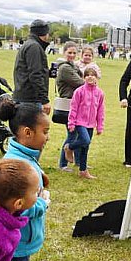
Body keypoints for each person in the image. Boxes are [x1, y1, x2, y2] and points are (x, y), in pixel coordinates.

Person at [0, 97, 51, 261]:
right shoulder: (19, 164)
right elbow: (18, 208)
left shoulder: (24, 157)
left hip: (21, 242)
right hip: (14, 244)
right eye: (45, 131)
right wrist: (42, 203)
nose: (47, 137)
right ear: (27, 133)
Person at [66, 68, 104, 179]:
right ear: (84, 78)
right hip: (80, 122)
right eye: (87, 75)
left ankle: (83, 171)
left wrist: (100, 126)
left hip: (91, 124)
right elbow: (73, 108)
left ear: (96, 78)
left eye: (93, 75)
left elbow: (100, 110)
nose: (90, 77)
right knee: (85, 140)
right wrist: (71, 123)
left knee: (85, 147)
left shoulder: (100, 93)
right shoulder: (79, 91)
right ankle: (70, 147)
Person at [54, 42, 84, 172]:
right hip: (68, 105)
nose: (72, 55)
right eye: (69, 52)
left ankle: (77, 161)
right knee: (72, 135)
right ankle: (63, 164)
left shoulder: (72, 67)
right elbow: (80, 82)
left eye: (74, 53)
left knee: (76, 134)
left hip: (75, 104)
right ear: (64, 53)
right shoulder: (65, 68)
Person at [13, 19, 51, 115]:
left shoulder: (29, 44)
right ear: (44, 33)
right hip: (30, 99)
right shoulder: (34, 47)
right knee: (32, 129)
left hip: (24, 97)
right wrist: (44, 100)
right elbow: (35, 75)